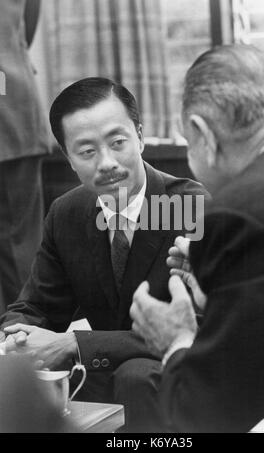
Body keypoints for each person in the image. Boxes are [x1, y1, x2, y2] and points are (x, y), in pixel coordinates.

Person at [0, 77, 209, 432]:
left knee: (136, 375)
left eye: (117, 142)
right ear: (68, 159)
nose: (107, 162)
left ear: (140, 137)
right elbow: (36, 305)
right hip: (103, 368)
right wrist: (17, 337)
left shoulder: (188, 206)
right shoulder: (67, 213)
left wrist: (73, 344)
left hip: (181, 372)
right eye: (87, 151)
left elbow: (197, 327)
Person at [130, 44, 264, 433]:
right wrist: (229, 294)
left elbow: (205, 420)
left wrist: (178, 340)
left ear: (203, 135)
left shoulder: (239, 214)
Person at [0, 0, 49, 314]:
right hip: (13, 98)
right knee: (21, 239)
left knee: (21, 242)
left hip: (12, 113)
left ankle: (23, 336)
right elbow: (26, 27)